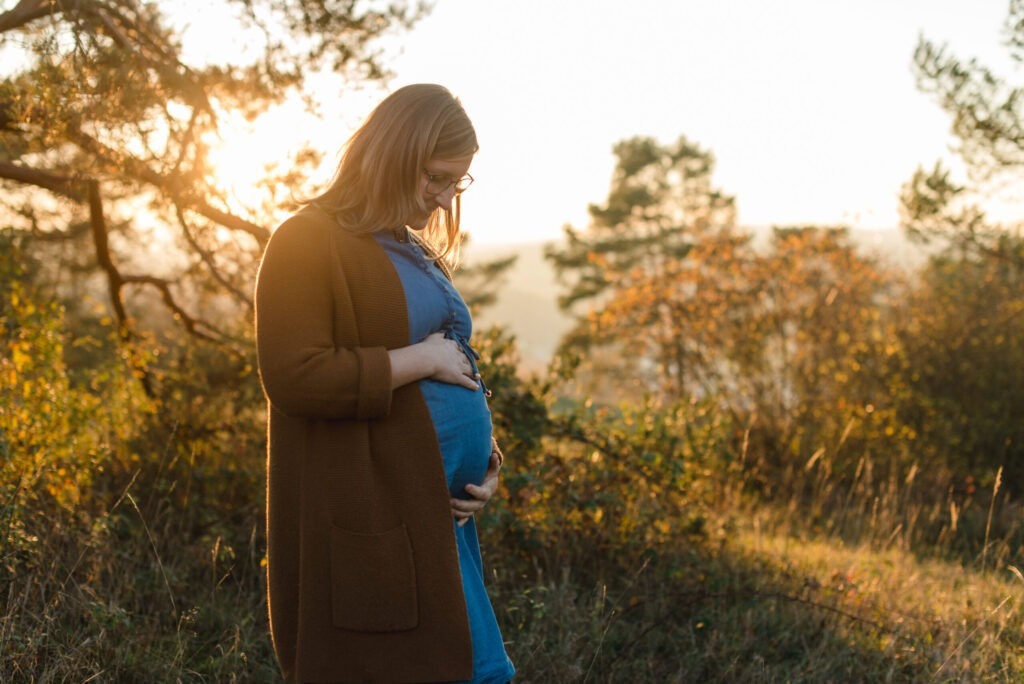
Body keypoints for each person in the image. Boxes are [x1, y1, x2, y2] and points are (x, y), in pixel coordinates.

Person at [254, 83, 515, 683]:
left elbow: (453, 362)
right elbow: (294, 376)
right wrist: (420, 360)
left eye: (458, 182)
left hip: (440, 519)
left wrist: (484, 461)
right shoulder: (307, 240)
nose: (445, 198)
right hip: (376, 520)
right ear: (392, 155)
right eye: (435, 178)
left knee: (481, 672)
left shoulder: (408, 246)